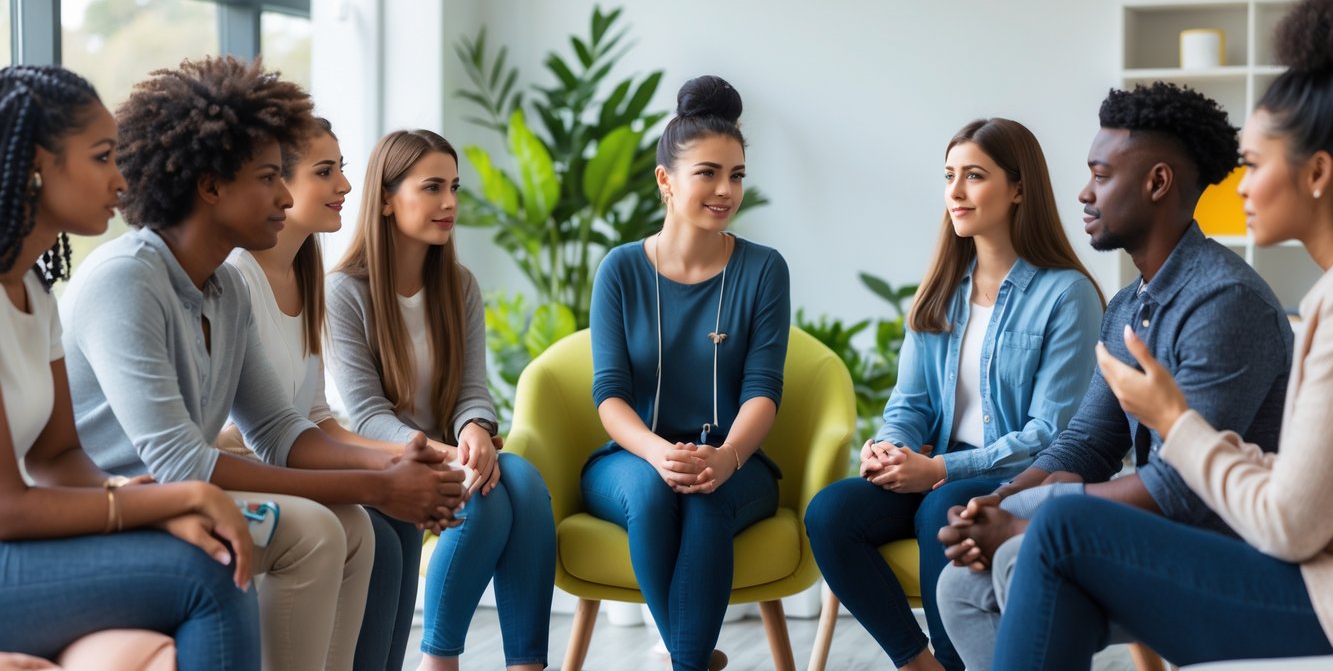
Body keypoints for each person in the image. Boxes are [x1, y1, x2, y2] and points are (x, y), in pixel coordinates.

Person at [61, 57, 466, 671]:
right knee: (319, 530)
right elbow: (180, 463)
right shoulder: (127, 280)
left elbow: (278, 428)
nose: (285, 195)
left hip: (179, 498)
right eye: (270, 177)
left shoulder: (221, 289)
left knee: (353, 526)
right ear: (212, 186)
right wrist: (375, 481)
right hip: (118, 512)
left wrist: (397, 464)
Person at [990, 0, 1333, 671]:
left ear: (1317, 172)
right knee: (1026, 541)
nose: (1237, 186)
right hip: (1290, 557)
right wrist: (1002, 499)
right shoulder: (1132, 305)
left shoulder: (1244, 299)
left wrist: (1174, 422)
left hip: (1296, 577)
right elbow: (1304, 489)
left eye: (1254, 166)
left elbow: (1292, 524)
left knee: (1055, 529)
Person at [934, 82, 1295, 670]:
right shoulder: (1129, 305)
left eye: (1101, 175)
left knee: (1019, 558)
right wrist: (998, 499)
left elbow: (1184, 487)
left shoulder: (1225, 303)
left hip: (1232, 549)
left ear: (1156, 183)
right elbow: (1091, 440)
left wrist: (1028, 516)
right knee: (961, 587)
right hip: (1166, 538)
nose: (1084, 192)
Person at [803, 118, 1104, 670]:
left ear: (1018, 188)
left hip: (1018, 478)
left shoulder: (1068, 295)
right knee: (830, 512)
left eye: (974, 176)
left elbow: (1051, 434)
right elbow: (910, 404)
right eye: (949, 176)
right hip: (935, 468)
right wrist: (890, 447)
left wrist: (940, 470)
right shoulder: (942, 290)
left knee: (943, 507)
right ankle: (921, 665)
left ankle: (960, 660)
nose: (956, 193)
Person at [0, 64, 259, 669]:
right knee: (210, 577)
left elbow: (57, 457)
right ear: (39, 163)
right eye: (101, 158)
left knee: (211, 554)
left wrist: (149, 503)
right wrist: (166, 502)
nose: (121, 182)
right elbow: (8, 505)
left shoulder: (33, 294)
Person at [326, 128, 555, 671]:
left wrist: (474, 427)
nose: (449, 202)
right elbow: (366, 415)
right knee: (487, 491)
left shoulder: (461, 285)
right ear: (385, 198)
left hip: (450, 452)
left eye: (454, 187)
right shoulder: (344, 292)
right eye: (432, 187)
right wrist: (446, 453)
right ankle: (439, 660)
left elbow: (471, 388)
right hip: (384, 460)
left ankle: (527, 665)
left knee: (522, 478)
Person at [584, 75, 790, 671]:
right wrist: (655, 452)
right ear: (665, 180)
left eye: (737, 175)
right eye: (708, 173)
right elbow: (609, 394)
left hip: (736, 461)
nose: (726, 190)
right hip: (631, 459)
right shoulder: (620, 270)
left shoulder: (763, 270)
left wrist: (725, 457)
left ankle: (684, 662)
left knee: (707, 498)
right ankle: (694, 660)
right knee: (654, 492)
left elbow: (763, 390)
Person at [221, 117, 442, 669]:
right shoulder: (236, 278)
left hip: (294, 452)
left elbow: (315, 415)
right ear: (277, 181)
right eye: (326, 171)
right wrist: (392, 466)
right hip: (252, 466)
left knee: (398, 528)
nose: (346, 185)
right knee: (379, 531)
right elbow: (258, 433)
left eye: (342, 169)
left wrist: (413, 458)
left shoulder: (307, 271)